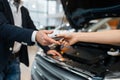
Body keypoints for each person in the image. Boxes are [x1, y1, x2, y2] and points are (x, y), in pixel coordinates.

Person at [0, 0, 60, 80]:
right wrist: (35, 35)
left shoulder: (24, 10)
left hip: (15, 60)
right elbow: (3, 28)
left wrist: (47, 49)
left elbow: (33, 29)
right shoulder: (1, 3)